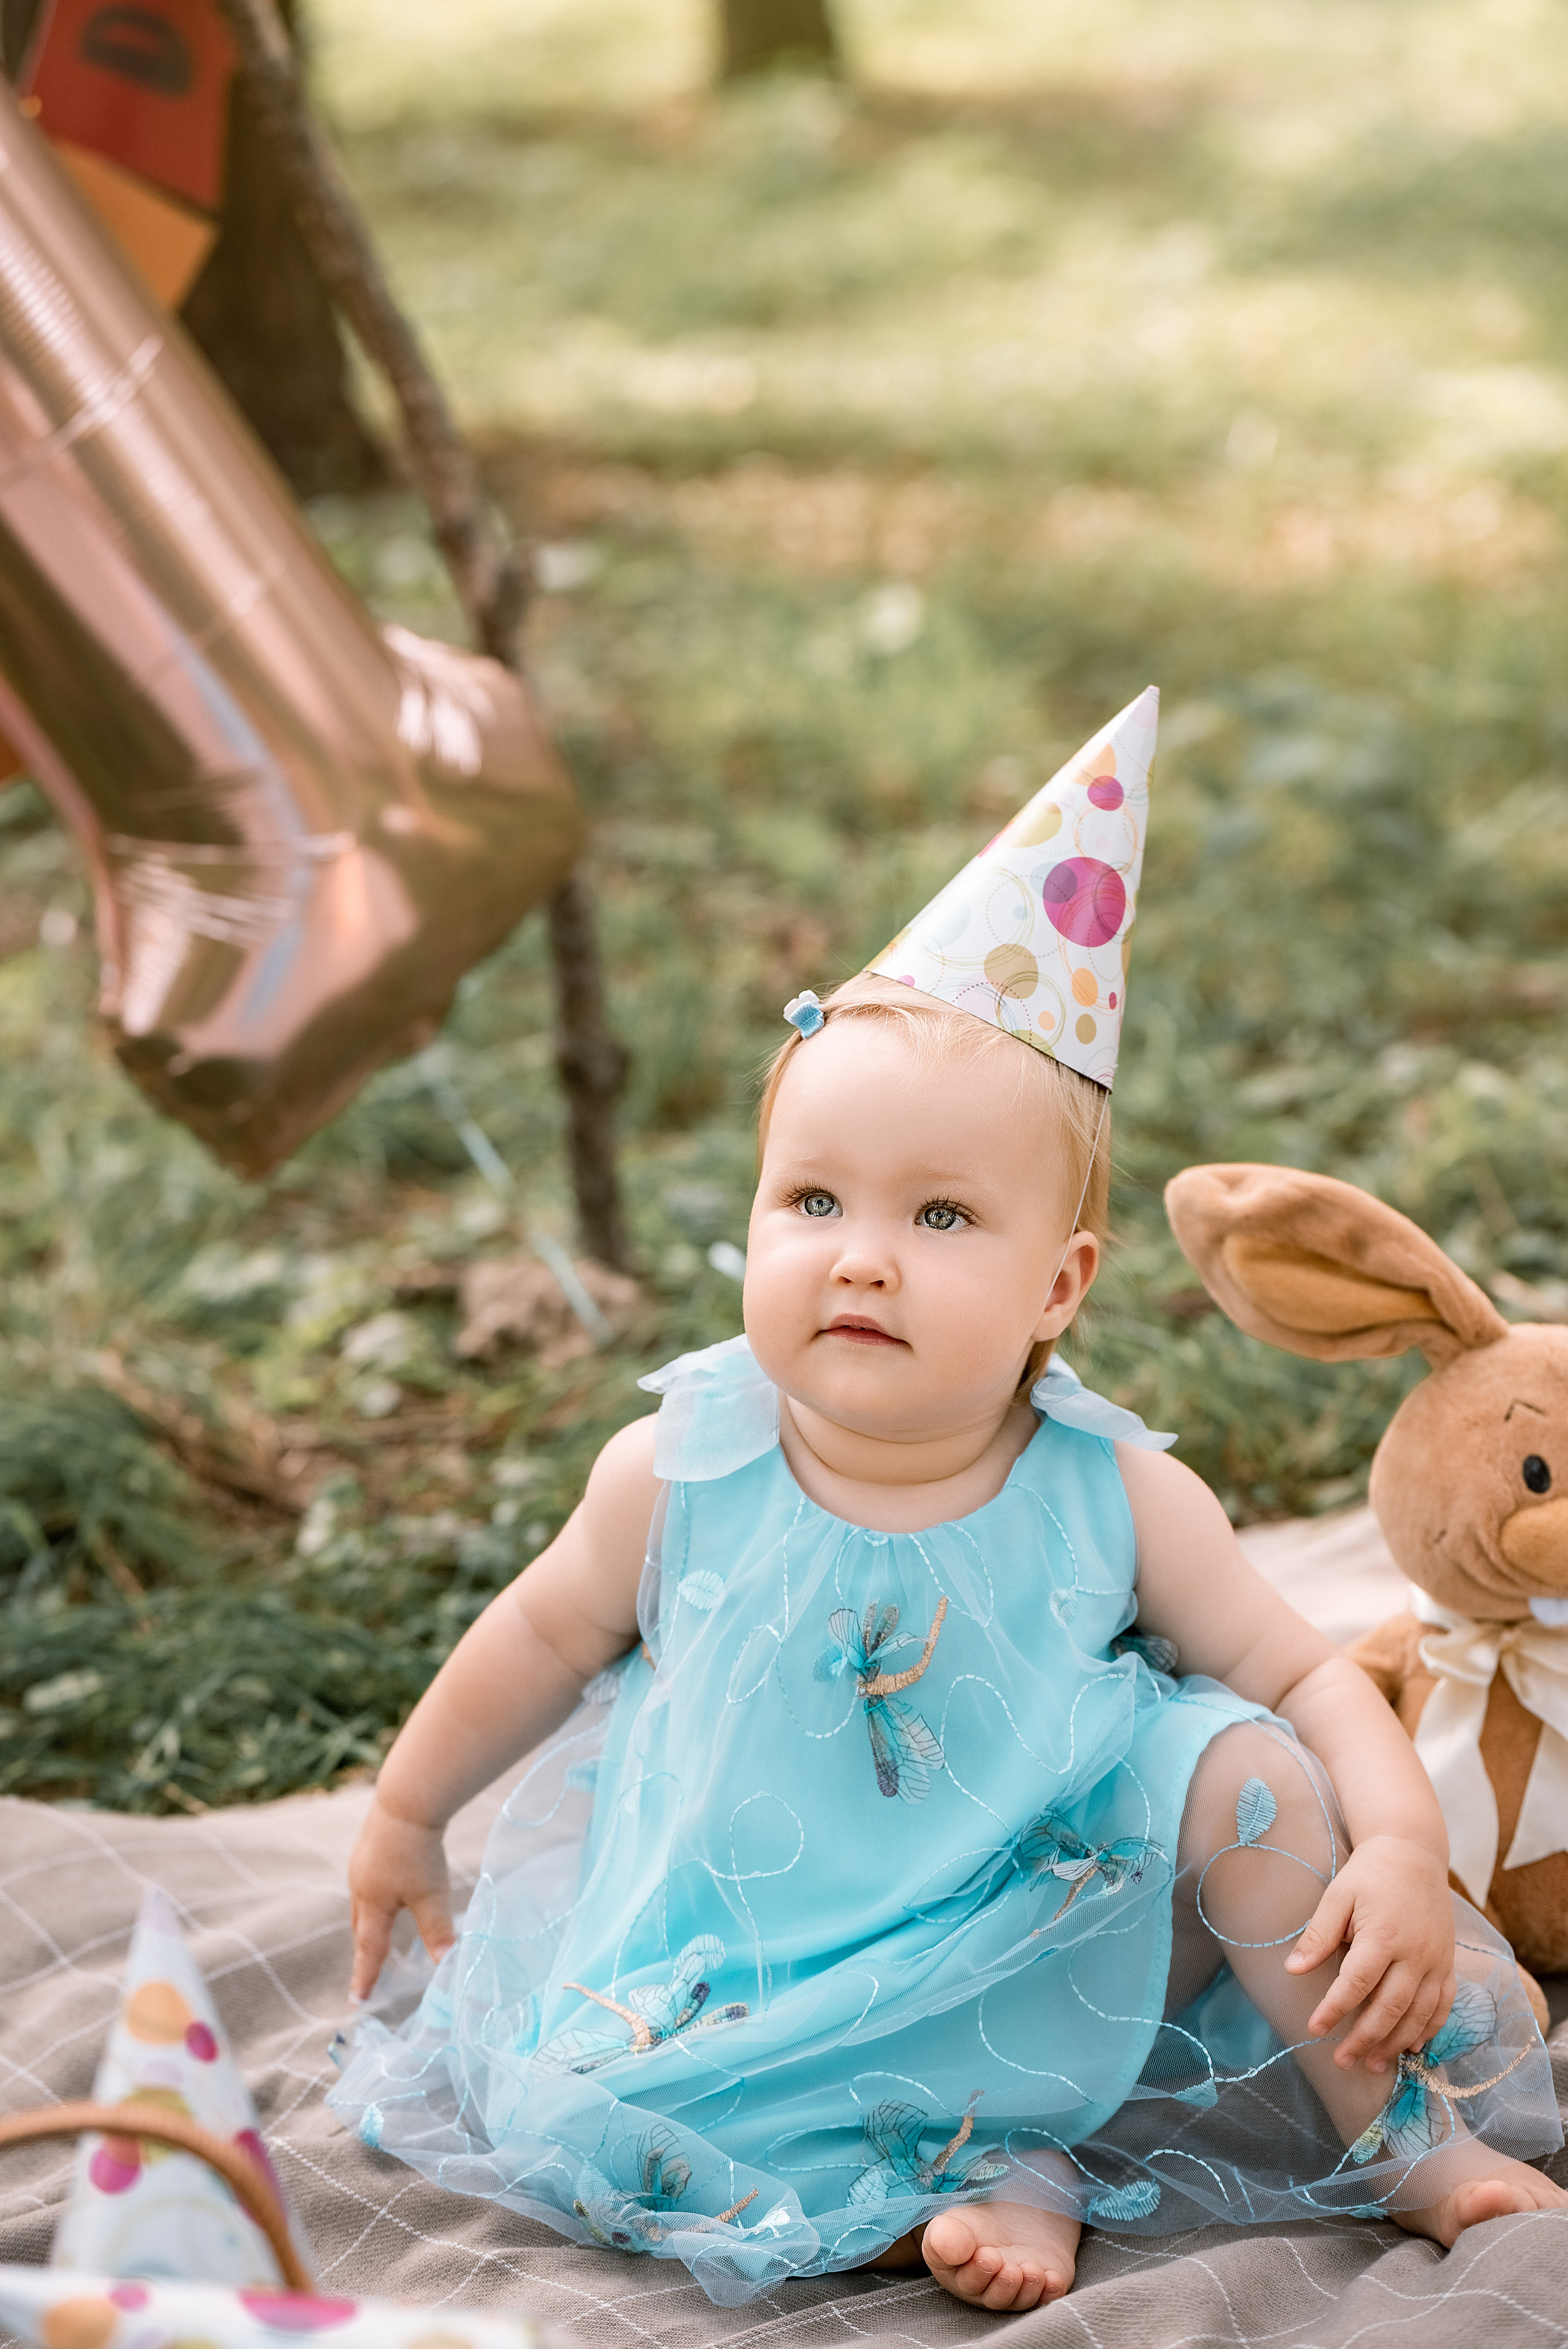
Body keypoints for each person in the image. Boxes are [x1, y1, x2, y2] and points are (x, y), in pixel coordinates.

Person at [330, 695, 1564, 2310]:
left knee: (1247, 1776)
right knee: (606, 2102)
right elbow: (547, 1626)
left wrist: (1398, 1837)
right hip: (762, 1933)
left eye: (940, 1213)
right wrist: (409, 1806)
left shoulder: (1110, 1486)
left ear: (1059, 1282)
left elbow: (1304, 1666)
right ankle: (1005, 2160)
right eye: (815, 1197)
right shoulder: (679, 1466)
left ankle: (1389, 2132)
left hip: (1046, 1906)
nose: (861, 1251)